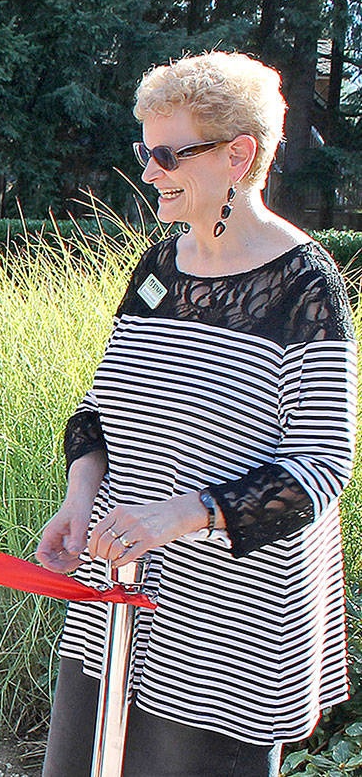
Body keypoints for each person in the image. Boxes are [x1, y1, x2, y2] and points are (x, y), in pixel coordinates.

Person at [36, 51, 356, 777]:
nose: (148, 171)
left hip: (229, 635)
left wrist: (181, 514)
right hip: (116, 602)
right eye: (141, 150)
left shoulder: (305, 285)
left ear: (239, 155)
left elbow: (320, 469)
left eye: (166, 153)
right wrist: (80, 501)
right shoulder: (157, 269)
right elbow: (98, 412)